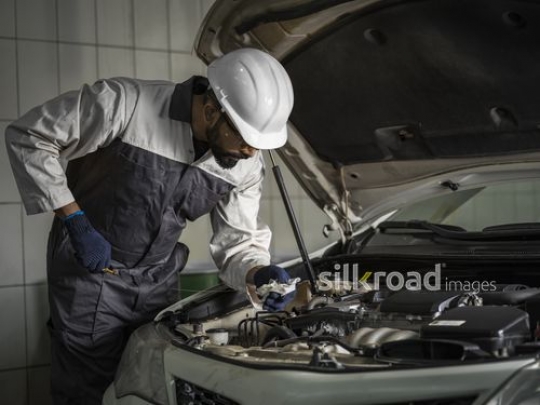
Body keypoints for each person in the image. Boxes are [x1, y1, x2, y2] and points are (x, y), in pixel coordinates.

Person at [5, 48, 296, 405]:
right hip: (92, 278)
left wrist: (257, 272)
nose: (251, 152)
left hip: (158, 283)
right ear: (210, 111)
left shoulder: (244, 164)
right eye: (245, 140)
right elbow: (30, 137)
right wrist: (75, 220)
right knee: (86, 390)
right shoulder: (125, 105)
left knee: (152, 386)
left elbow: (238, 242)